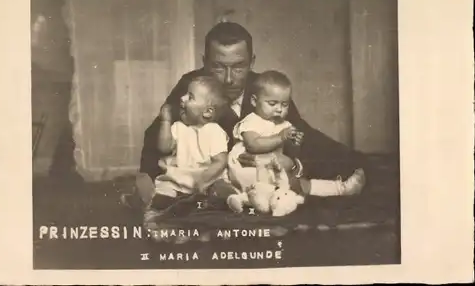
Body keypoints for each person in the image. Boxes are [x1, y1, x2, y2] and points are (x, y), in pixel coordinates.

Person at [135, 21, 368, 211]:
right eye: (218, 67)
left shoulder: (265, 88)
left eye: (238, 67)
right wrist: (146, 173)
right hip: (216, 181)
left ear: (252, 63)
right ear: (204, 63)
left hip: (261, 177)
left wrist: (293, 164)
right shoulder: (192, 86)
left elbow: (301, 134)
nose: (228, 79)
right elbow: (158, 133)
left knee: (351, 163)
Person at [226, 70, 366, 212]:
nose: (279, 109)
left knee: (299, 184)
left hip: (273, 172)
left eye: (284, 104)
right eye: (272, 103)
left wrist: (294, 143)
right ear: (254, 101)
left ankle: (341, 188)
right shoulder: (251, 121)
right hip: (249, 171)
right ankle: (247, 199)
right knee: (290, 185)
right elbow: (253, 144)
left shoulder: (284, 125)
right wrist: (281, 137)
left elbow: (291, 154)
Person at [121, 75, 240, 213]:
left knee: (222, 189)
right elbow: (164, 148)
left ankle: (231, 201)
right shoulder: (178, 127)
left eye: (190, 97)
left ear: (207, 112)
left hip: (207, 180)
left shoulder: (214, 131)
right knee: (160, 194)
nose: (182, 98)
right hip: (177, 180)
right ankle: (153, 202)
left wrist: (205, 180)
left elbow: (220, 161)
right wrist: (165, 122)